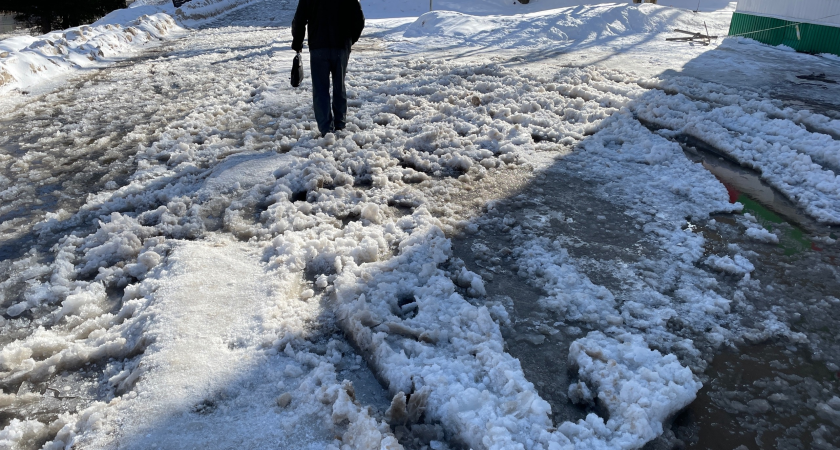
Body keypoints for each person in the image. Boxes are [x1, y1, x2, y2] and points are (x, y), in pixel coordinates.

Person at [292, 0, 365, 136]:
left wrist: (297, 44)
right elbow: (359, 19)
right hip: (341, 45)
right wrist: (349, 40)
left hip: (318, 46)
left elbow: (299, 19)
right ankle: (339, 124)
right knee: (339, 86)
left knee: (320, 89)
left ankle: (326, 129)